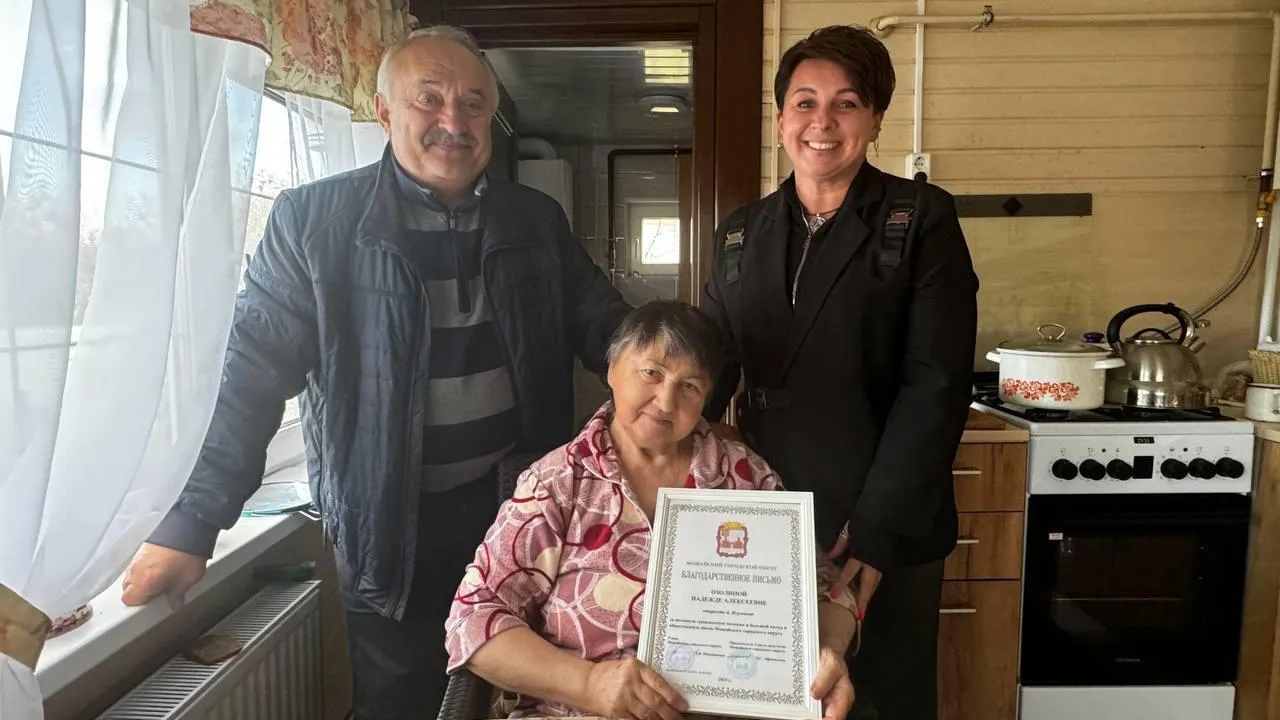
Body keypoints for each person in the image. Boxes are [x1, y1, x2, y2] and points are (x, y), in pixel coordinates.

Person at [118, 24, 631, 720]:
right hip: (389, 525)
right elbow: (251, 376)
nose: (454, 121)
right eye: (429, 99)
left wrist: (672, 374)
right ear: (385, 111)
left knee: (523, 695)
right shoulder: (312, 221)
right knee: (403, 701)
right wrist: (194, 519)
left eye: (473, 103)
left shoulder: (536, 220)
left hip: (519, 515)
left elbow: (607, 328)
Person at [700, 25, 979, 720]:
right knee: (778, 696)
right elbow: (709, 365)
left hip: (884, 515)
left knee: (882, 698)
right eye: (804, 103)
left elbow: (935, 385)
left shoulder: (920, 218)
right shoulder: (740, 232)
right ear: (780, 119)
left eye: (846, 103)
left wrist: (876, 531)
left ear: (875, 119)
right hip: (770, 510)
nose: (821, 122)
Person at [445, 300, 859, 720]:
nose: (665, 401)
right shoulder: (558, 483)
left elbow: (828, 590)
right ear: (612, 369)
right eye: (651, 373)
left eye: (689, 386)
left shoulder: (744, 476)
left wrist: (826, 652)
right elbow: (473, 618)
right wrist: (589, 685)